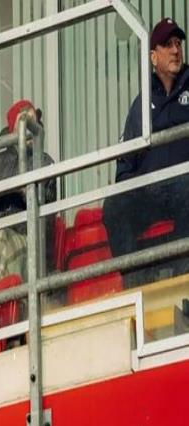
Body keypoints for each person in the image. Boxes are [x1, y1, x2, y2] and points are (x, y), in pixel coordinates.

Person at [103, 18, 189, 284]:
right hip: (151, 190)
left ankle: (182, 279)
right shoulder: (141, 104)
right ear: (153, 56)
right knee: (114, 206)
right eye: (168, 45)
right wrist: (136, 186)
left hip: (185, 184)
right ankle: (136, 283)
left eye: (178, 43)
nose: (175, 50)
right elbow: (124, 166)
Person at [0, 99, 56, 285]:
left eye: (32, 123)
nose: (29, 128)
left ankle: (3, 298)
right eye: (24, 122)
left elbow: (47, 224)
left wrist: (27, 194)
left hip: (28, 243)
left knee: (0, 241)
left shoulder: (45, 162)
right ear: (12, 131)